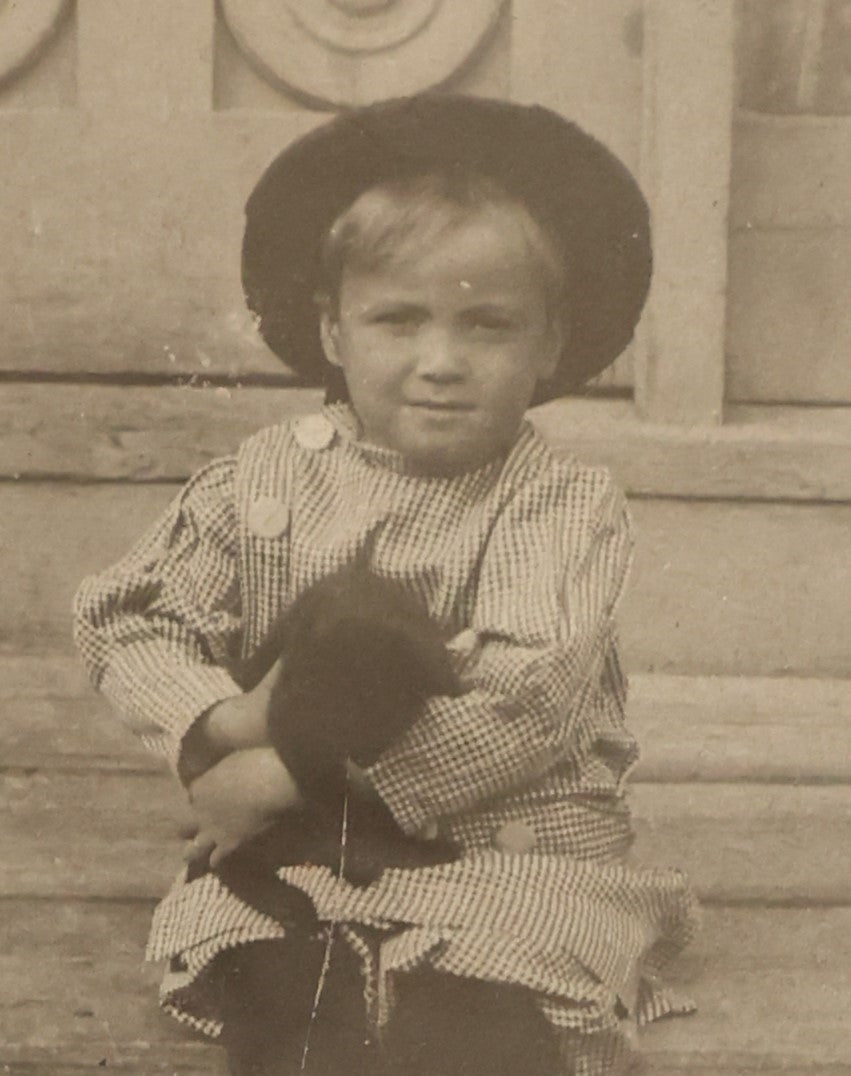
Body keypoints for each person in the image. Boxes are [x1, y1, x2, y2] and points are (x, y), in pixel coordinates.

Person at [73, 94, 698, 1075]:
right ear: (331, 330)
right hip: (293, 839)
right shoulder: (268, 477)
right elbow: (128, 614)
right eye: (397, 319)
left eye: (486, 324)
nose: (440, 363)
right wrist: (223, 726)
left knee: (481, 987)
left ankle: (462, 1022)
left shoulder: (553, 501)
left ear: (547, 343)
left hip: (504, 838)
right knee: (269, 961)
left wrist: (284, 774)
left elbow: (526, 698)